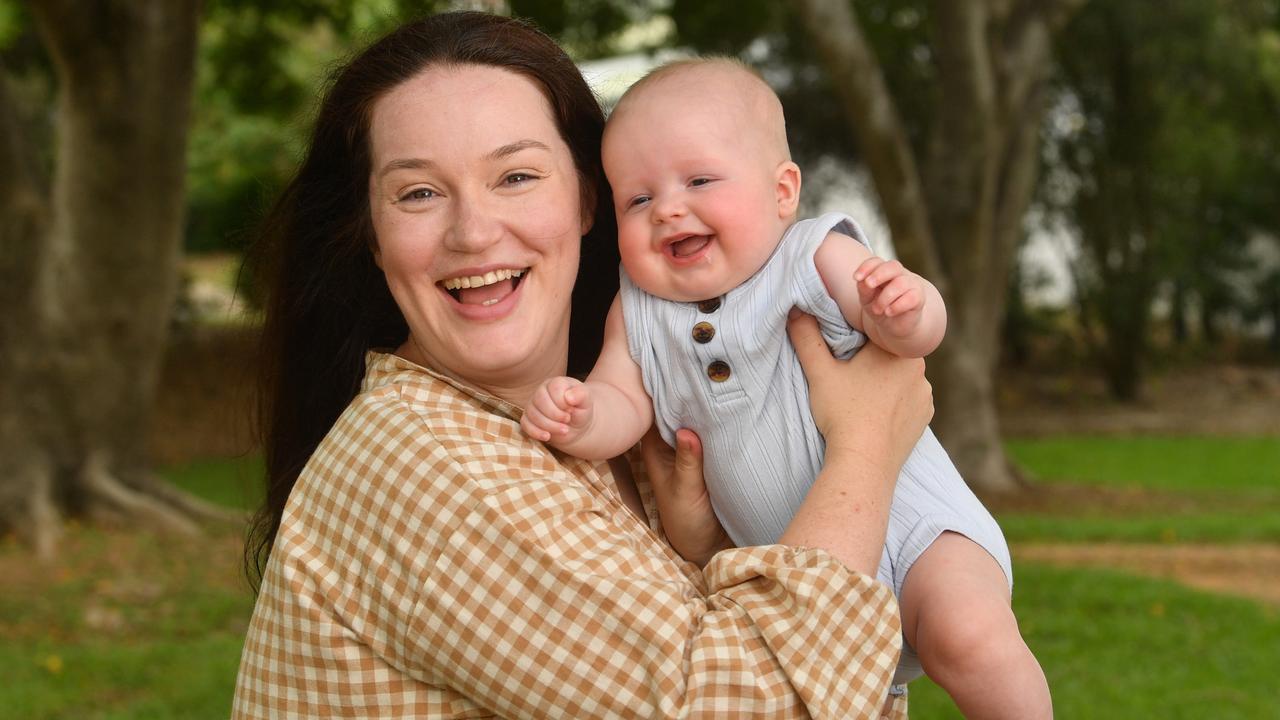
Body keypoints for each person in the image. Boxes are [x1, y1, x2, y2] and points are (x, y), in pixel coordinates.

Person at [233, 12, 935, 719]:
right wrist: (866, 445)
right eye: (418, 193)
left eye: (515, 176)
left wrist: (705, 551)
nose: (473, 233)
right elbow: (771, 706)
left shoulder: (617, 421)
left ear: (587, 200)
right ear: (375, 239)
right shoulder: (429, 460)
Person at [521, 58, 1051, 719]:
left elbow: (915, 344)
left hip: (918, 532)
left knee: (969, 641)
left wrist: (906, 311)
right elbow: (622, 402)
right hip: (805, 575)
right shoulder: (637, 312)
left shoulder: (808, 257)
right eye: (638, 198)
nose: (668, 208)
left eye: (700, 179)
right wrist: (580, 414)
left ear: (782, 191)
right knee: (838, 691)